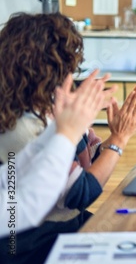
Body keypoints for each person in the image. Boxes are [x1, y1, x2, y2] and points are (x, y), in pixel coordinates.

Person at [0, 12, 136, 263]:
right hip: (35, 245)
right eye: (68, 68)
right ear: (48, 71)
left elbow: (71, 170)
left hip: (61, 227)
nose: (72, 75)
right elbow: (79, 193)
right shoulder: (22, 128)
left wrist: (96, 145)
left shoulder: (32, 112)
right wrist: (119, 139)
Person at [0, 70, 112, 237]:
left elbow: (12, 172)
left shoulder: (36, 121)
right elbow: (25, 207)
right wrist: (67, 132)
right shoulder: (21, 128)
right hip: (37, 242)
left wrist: (63, 126)